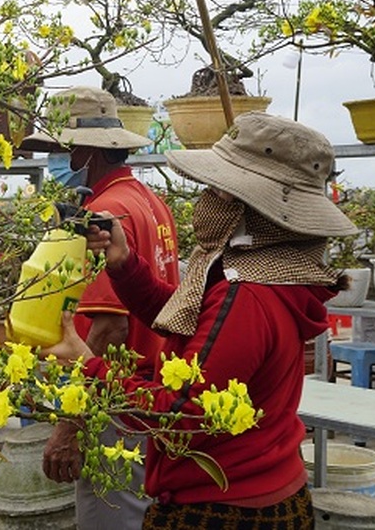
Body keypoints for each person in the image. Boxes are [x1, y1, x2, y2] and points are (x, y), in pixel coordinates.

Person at [62, 112, 357, 529]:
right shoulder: (272, 271)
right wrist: (126, 267)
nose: (205, 200)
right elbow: (195, 324)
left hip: (224, 509)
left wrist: (88, 366)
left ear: (245, 206)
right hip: (262, 491)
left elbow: (181, 415)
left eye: (215, 191)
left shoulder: (250, 294)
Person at [18, 86, 181, 530]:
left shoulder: (105, 212)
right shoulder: (149, 201)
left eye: (62, 150)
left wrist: (70, 424)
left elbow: (109, 328)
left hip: (114, 401)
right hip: (149, 393)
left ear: (86, 152)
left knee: (109, 516)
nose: (59, 162)